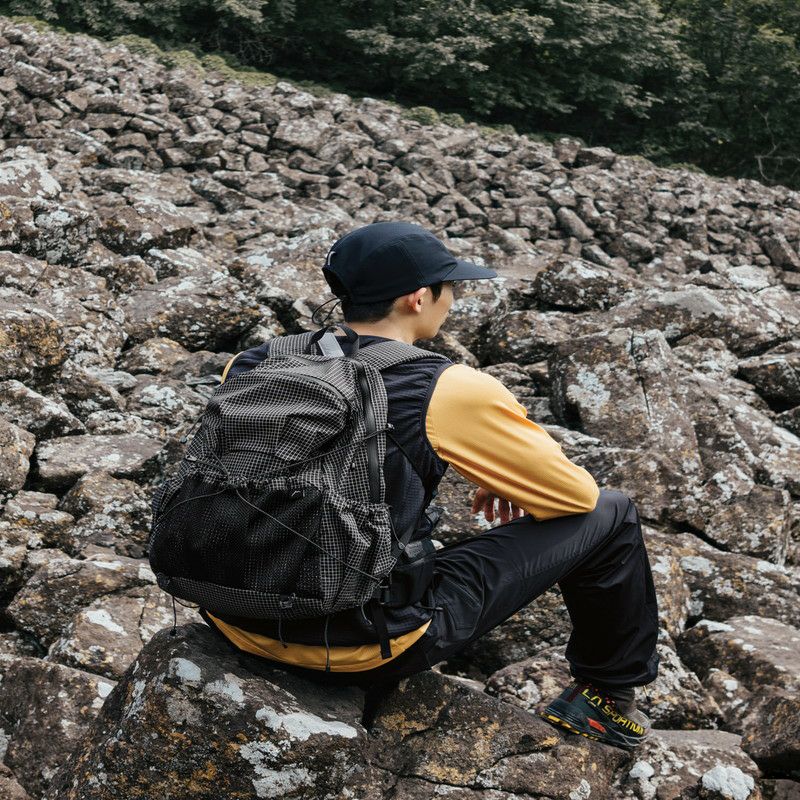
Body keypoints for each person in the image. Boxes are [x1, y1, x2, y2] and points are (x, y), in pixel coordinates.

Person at [198, 221, 659, 750]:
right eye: (451, 286)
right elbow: (576, 498)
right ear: (418, 298)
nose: (454, 298)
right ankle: (605, 699)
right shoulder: (445, 385)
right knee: (612, 513)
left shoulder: (254, 363)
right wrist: (507, 476)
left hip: (232, 616)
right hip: (359, 646)